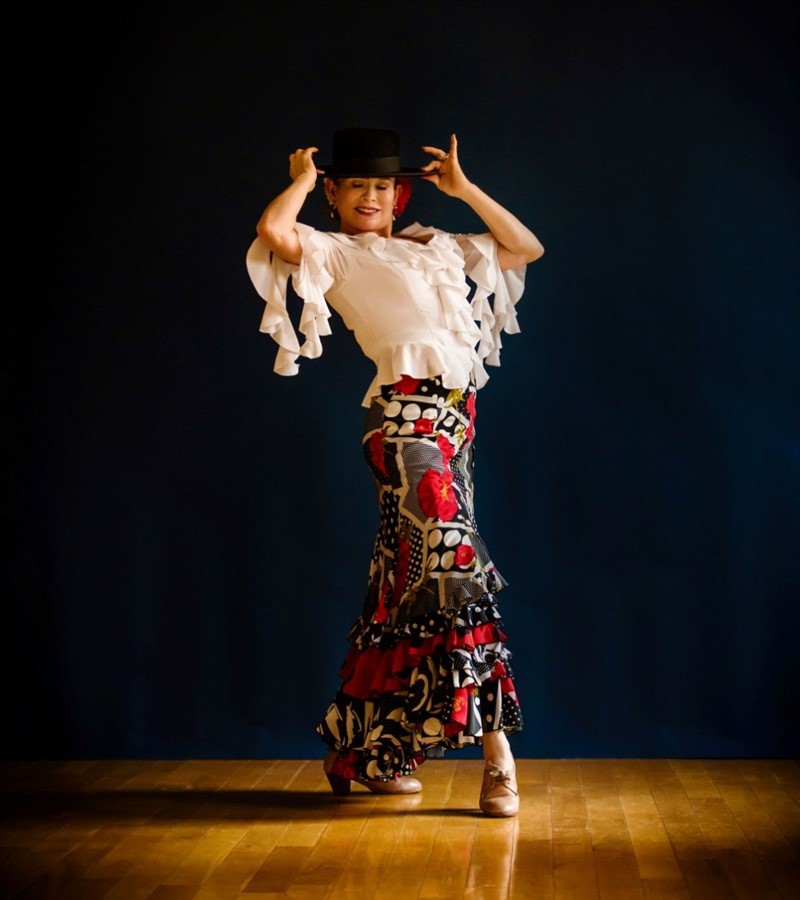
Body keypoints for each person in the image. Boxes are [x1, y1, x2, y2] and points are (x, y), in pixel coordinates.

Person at [246, 127, 544, 817]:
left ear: (399, 193)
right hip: (404, 423)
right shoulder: (332, 251)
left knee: (404, 584)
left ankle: (365, 750)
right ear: (335, 193)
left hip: (456, 422)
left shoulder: (437, 244)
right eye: (356, 185)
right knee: (455, 567)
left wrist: (465, 190)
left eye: (382, 185)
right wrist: (301, 178)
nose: (371, 196)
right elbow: (273, 232)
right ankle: (498, 758)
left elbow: (525, 248)